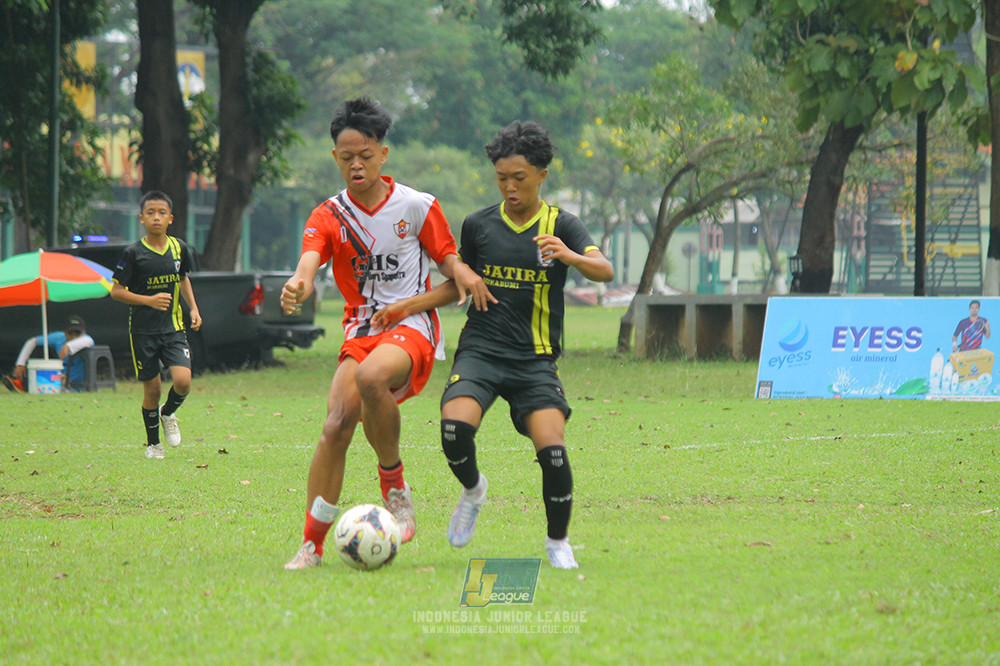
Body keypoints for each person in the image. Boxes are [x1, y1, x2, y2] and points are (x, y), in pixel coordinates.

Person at [373, 121, 614, 569]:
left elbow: (605, 271)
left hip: (534, 359)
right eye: (502, 178)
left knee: (553, 451)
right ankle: (473, 489)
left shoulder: (563, 225)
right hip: (481, 351)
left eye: (519, 178)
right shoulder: (480, 225)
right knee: (454, 429)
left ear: (542, 174)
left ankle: (557, 542)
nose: (509, 187)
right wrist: (408, 306)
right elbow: (458, 284)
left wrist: (570, 255)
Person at [281, 97, 489, 570]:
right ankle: (312, 544)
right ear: (335, 157)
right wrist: (299, 282)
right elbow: (308, 262)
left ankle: (392, 483)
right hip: (360, 327)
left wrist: (464, 272)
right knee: (335, 426)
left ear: (383, 154)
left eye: (366, 156)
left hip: (411, 326)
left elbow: (447, 259)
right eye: (346, 157)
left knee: (372, 378)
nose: (356, 165)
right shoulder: (328, 214)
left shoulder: (416, 205)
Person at [111, 190, 202, 460]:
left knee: (183, 381)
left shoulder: (179, 248)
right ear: (142, 218)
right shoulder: (133, 253)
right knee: (153, 389)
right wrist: (148, 300)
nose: (156, 218)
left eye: (162, 213)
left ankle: (168, 412)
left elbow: (183, 278)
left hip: (173, 328)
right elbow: (116, 291)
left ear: (170, 218)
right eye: (150, 213)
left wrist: (194, 308)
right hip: (142, 331)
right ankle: (154, 445)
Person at [3, 315, 94, 393]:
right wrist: (20, 364)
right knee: (39, 347)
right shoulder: (59, 337)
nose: (74, 337)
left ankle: (30, 386)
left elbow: (89, 341)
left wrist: (68, 346)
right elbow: (33, 341)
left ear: (84, 333)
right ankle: (23, 383)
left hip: (75, 383)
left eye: (77, 333)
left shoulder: (86, 340)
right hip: (56, 376)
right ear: (65, 332)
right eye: (71, 333)